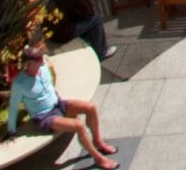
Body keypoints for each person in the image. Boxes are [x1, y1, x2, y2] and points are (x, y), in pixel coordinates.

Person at [7, 40, 117, 169]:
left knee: (90, 107)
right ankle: (99, 159)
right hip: (45, 117)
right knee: (79, 126)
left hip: (58, 104)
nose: (43, 59)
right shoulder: (20, 84)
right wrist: (11, 131)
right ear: (29, 63)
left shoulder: (43, 67)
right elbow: (13, 106)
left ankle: (97, 141)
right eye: (39, 58)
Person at [44, 0, 109, 61]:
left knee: (86, 22)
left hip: (52, 30)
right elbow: (90, 13)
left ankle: (90, 45)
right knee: (96, 19)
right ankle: (102, 52)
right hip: (61, 33)